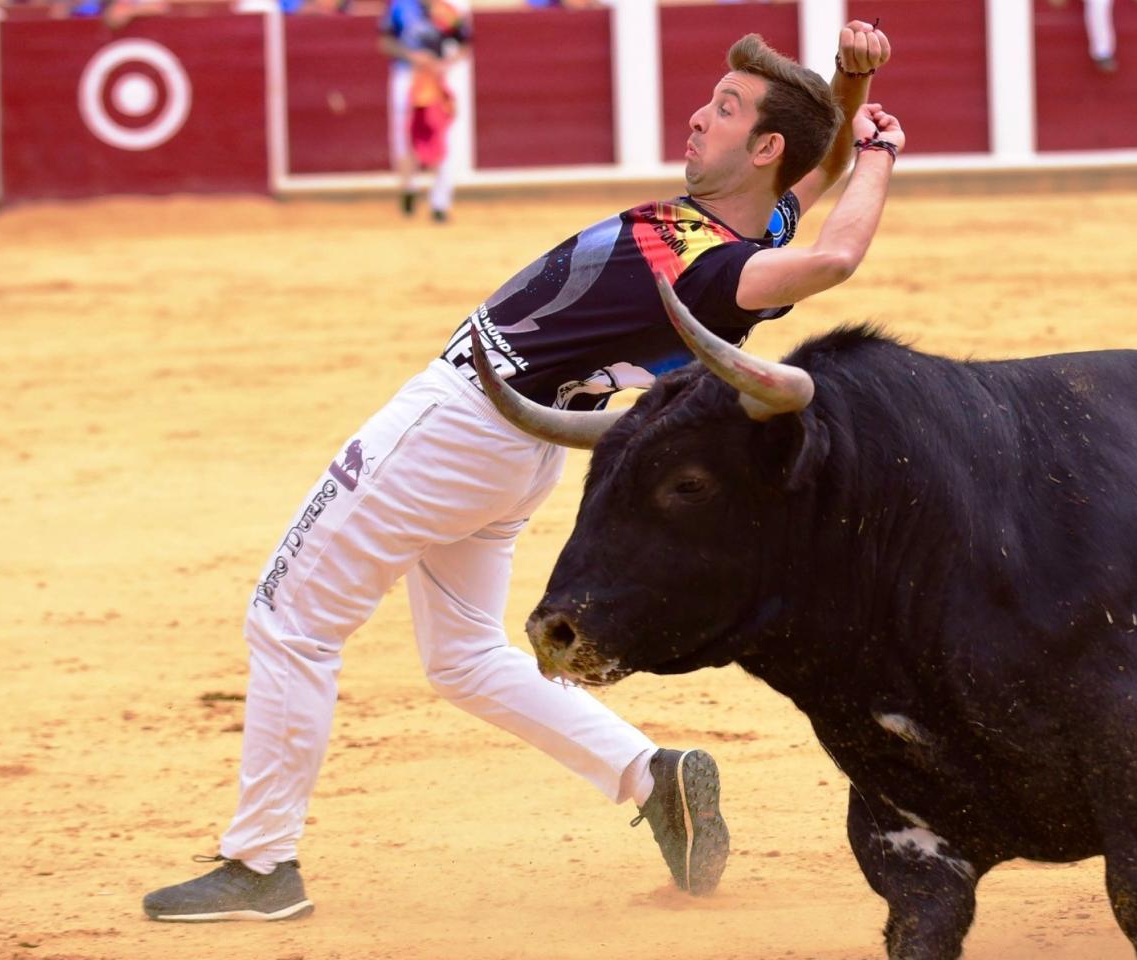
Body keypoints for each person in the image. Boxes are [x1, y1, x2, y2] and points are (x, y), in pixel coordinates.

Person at [141, 21, 900, 923]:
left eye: (725, 110)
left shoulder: (718, 271)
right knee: (462, 656)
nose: (699, 117)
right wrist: (848, 87)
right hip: (519, 448)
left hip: (455, 426)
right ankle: (649, 774)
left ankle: (261, 863)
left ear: (760, 147)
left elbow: (836, 255)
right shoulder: (741, 226)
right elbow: (816, 167)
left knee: (289, 618)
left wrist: (882, 150)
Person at [379, 0, 470, 223]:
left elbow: (465, 45)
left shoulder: (450, 8)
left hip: (439, 80)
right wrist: (412, 57)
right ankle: (409, 185)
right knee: (406, 136)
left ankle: (440, 202)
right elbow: (385, 42)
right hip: (407, 75)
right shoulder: (400, 6)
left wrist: (445, 64)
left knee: (443, 134)